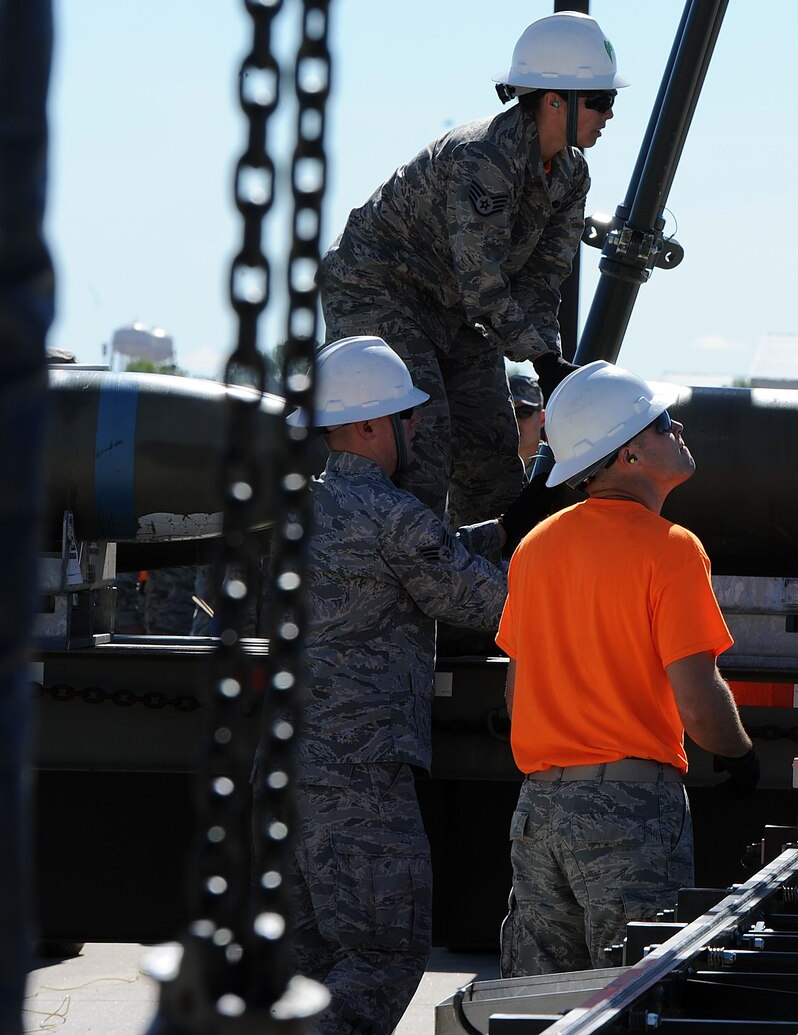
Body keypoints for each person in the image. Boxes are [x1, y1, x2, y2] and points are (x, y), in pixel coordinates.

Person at [285, 335, 558, 1035]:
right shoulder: (391, 515)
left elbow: (422, 552)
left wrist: (500, 528)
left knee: (316, 963)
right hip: (360, 776)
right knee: (384, 954)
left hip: (285, 770)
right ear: (370, 424)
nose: (417, 428)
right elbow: (492, 603)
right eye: (405, 416)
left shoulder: (304, 510)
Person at [496, 361, 760, 976]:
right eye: (663, 424)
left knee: (539, 1006)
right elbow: (697, 699)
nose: (680, 428)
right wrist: (739, 752)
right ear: (628, 457)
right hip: (629, 812)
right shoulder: (671, 549)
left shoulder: (535, 548)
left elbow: (516, 691)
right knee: (632, 997)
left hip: (539, 812)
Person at [319, 12, 625, 525]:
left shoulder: (571, 174)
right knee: (420, 449)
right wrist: (543, 363)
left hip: (456, 311)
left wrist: (546, 358)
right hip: (379, 291)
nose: (609, 115)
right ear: (554, 100)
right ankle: (394, 595)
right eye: (600, 101)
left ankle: (485, 597)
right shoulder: (482, 157)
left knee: (492, 458)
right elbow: (481, 282)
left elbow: (542, 282)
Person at [510, 372, 545, 472]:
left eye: (524, 412)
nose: (514, 421)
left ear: (542, 418)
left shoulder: (560, 468)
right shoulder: (477, 471)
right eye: (506, 413)